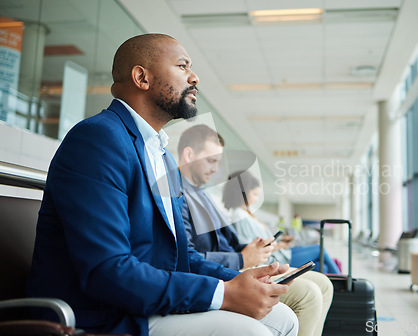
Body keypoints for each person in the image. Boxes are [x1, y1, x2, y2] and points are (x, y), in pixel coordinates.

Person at [27, 34, 298, 336]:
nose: (194, 77)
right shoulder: (97, 139)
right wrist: (224, 293)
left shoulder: (163, 155)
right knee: (253, 332)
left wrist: (241, 279)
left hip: (146, 302)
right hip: (103, 315)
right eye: (183, 66)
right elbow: (106, 270)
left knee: (285, 319)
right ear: (141, 77)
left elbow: (180, 257)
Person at [178, 124, 333, 336]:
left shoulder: (203, 195)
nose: (216, 169)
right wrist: (242, 259)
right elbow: (186, 257)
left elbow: (230, 242)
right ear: (189, 155)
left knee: (324, 284)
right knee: (308, 294)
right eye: (211, 160)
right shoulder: (176, 195)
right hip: (222, 273)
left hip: (237, 265)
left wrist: (253, 249)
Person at [222, 171, 341, 275]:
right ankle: (347, 286)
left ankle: (342, 292)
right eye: (255, 194)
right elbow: (249, 248)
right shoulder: (239, 215)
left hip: (279, 254)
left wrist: (280, 243)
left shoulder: (246, 213)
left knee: (322, 267)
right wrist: (278, 246)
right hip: (273, 260)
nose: (256, 199)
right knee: (319, 249)